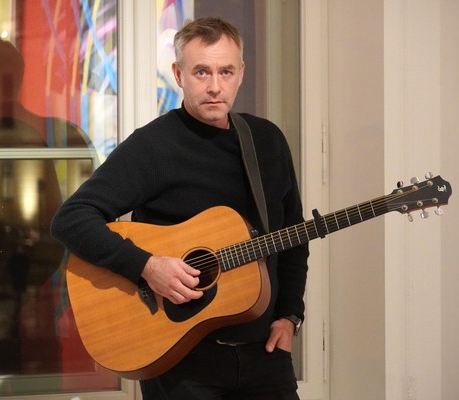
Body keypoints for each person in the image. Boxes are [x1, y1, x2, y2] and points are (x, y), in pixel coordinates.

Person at [50, 16, 309, 399]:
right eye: (201, 72)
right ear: (178, 74)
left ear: (241, 73)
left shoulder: (266, 142)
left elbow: (293, 239)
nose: (215, 86)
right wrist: (147, 266)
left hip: (265, 357)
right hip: (180, 359)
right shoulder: (153, 146)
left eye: (226, 71)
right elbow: (71, 219)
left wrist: (290, 316)